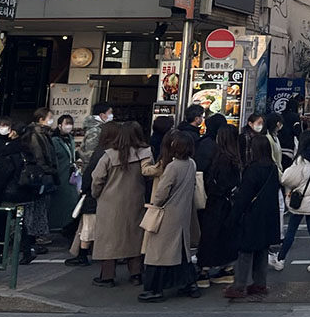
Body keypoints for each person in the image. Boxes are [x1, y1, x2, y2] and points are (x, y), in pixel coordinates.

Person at [138, 130, 201, 302]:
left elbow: (161, 193)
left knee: (157, 254)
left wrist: (154, 204)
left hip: (167, 214)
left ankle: (154, 289)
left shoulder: (172, 167)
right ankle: (189, 284)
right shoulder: (191, 164)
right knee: (182, 252)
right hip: (182, 213)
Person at [91, 120, 149, 287]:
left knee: (109, 239)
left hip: (109, 203)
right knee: (134, 238)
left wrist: (96, 194)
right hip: (135, 201)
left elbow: (97, 179)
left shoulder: (109, 155)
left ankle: (107, 276)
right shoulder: (144, 154)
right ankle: (136, 274)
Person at [224, 135, 281, 301]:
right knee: (262, 249)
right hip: (268, 214)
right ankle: (260, 283)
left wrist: (233, 216)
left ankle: (239, 285)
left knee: (246, 250)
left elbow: (244, 196)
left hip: (252, 214)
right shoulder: (272, 167)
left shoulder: (252, 169)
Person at [196, 124, 241, 287]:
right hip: (231, 203)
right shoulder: (236, 158)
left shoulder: (218, 158)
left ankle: (204, 272)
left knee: (209, 236)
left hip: (216, 202)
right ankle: (227, 269)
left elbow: (214, 184)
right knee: (227, 236)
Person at [278, 130, 310, 272]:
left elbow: (286, 178)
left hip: (300, 201)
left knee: (291, 231)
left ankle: (280, 259)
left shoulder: (301, 161)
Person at [18, 108, 60, 263]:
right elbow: (39, 157)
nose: (51, 120)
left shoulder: (44, 134)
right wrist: (46, 170)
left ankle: (33, 241)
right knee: (34, 209)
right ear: (41, 119)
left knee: (38, 209)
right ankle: (31, 242)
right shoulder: (36, 135)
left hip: (43, 176)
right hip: (39, 176)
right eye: (49, 117)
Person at [63, 119, 104, 267]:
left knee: (87, 226)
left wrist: (88, 190)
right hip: (100, 196)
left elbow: (94, 176)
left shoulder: (100, 153)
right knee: (89, 225)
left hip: (93, 194)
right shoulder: (108, 153)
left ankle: (82, 254)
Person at [48, 114, 79, 235]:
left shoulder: (70, 139)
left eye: (71, 124)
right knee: (59, 202)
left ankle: (67, 226)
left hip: (71, 175)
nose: (69, 126)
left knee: (71, 201)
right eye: (66, 123)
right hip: (60, 174)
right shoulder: (54, 140)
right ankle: (57, 226)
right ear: (59, 125)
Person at [279, 97, 303, 167]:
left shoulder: (281, 115)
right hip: (289, 146)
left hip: (279, 145)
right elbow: (298, 131)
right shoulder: (295, 117)